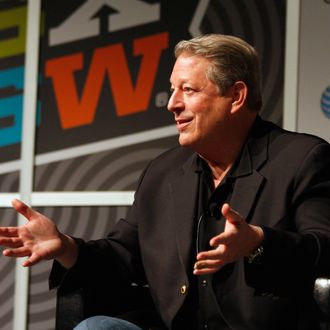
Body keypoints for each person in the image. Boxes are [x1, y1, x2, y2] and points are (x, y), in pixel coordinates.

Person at [1, 34, 330, 330]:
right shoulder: (164, 171)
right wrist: (66, 246)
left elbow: (324, 248)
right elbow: (122, 256)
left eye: (188, 90)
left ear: (236, 96)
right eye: (173, 89)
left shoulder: (302, 159)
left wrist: (259, 242)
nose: (172, 103)